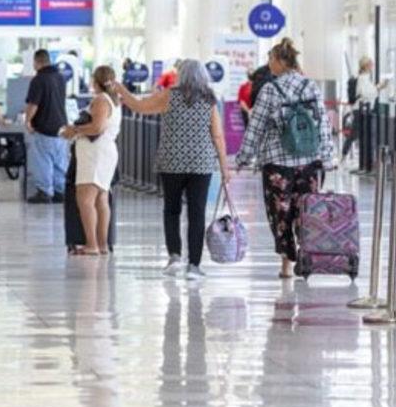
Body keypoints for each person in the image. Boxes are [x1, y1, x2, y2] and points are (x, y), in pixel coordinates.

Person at [113, 60, 231, 278]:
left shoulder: (169, 95)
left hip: (172, 161)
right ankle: (193, 265)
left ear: (181, 74)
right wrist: (225, 167)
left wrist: (122, 90)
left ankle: (174, 257)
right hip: (201, 163)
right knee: (196, 213)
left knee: (172, 210)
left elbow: (140, 107)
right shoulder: (209, 99)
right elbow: (217, 135)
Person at [236, 38, 334, 279]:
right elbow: (323, 123)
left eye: (271, 59)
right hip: (309, 161)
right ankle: (304, 254)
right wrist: (328, 157)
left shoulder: (270, 89)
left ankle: (286, 265)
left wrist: (243, 158)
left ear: (281, 61)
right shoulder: (310, 86)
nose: (269, 64)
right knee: (306, 210)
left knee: (280, 213)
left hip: (277, 163)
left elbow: (256, 128)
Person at [60, 66, 121, 255]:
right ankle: (101, 244)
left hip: (95, 154)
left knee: (85, 199)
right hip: (102, 153)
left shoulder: (101, 100)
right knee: (101, 198)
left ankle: (92, 244)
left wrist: (75, 131)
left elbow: (97, 127)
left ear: (96, 81)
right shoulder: (113, 100)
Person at [24, 49, 69, 204]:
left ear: (37, 62)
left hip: (44, 127)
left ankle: (44, 191)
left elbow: (33, 104)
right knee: (59, 162)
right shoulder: (61, 78)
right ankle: (60, 191)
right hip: (61, 128)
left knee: (43, 161)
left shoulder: (39, 80)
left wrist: (28, 120)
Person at [343, 56, 385, 161]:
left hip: (362, 109)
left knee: (358, 133)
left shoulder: (364, 77)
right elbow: (366, 93)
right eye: (371, 64)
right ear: (366, 66)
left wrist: (377, 88)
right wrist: (378, 87)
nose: (373, 66)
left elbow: (369, 92)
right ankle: (345, 154)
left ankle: (347, 155)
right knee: (356, 134)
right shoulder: (363, 77)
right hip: (361, 109)